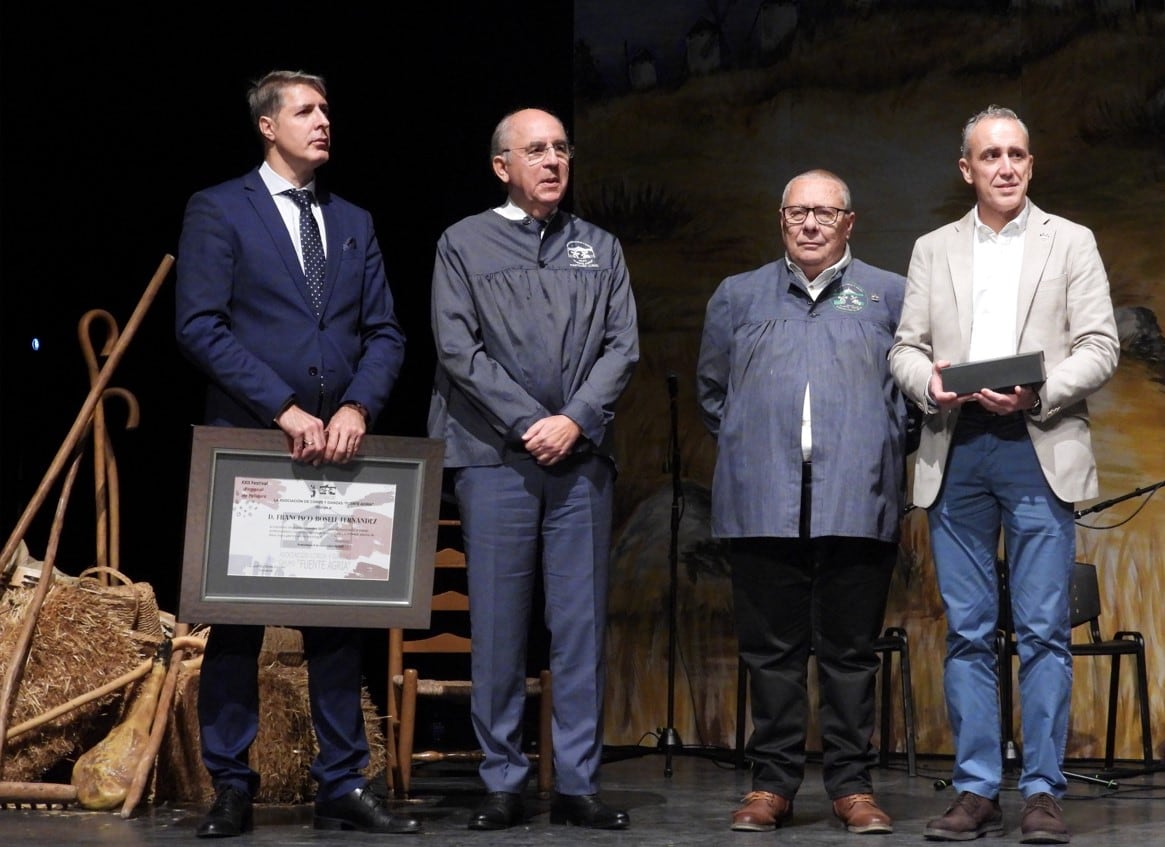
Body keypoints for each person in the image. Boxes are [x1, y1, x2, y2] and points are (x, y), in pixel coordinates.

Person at [174, 69, 419, 837]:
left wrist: (355, 405)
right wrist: (281, 407)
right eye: (305, 111)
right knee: (238, 624)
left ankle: (342, 782)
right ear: (266, 126)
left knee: (335, 624)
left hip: (338, 446)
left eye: (325, 110)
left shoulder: (353, 219)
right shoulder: (218, 208)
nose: (322, 121)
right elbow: (200, 324)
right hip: (252, 439)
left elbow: (384, 332)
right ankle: (232, 783)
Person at [889, 105, 1119, 844]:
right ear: (967, 168)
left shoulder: (1069, 241)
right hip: (955, 449)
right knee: (967, 630)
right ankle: (976, 786)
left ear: (1030, 162)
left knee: (1045, 630)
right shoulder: (932, 248)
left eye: (1017, 153)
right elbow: (904, 347)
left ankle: (1043, 790)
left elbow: (1099, 344)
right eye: (990, 155)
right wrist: (930, 380)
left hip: (1035, 440)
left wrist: (1040, 388)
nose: (1006, 166)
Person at [427, 107, 639, 831]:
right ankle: (502, 780)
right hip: (494, 459)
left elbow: (621, 348)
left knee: (578, 625)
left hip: (580, 460)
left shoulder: (599, 247)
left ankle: (577, 782)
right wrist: (527, 422)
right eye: (535, 150)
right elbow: (459, 350)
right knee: (499, 624)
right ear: (502, 166)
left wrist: (572, 420)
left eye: (560, 148)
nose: (552, 160)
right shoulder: (463, 242)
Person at [697, 169, 915, 836]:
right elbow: (714, 394)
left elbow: (908, 402)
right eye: (797, 213)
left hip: (856, 501)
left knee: (850, 654)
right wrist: (756, 448)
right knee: (770, 653)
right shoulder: (737, 296)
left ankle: (851, 787)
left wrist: (872, 449)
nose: (810, 224)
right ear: (780, 220)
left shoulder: (888, 293)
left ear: (849, 222)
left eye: (824, 212)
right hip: (760, 501)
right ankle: (771, 784)